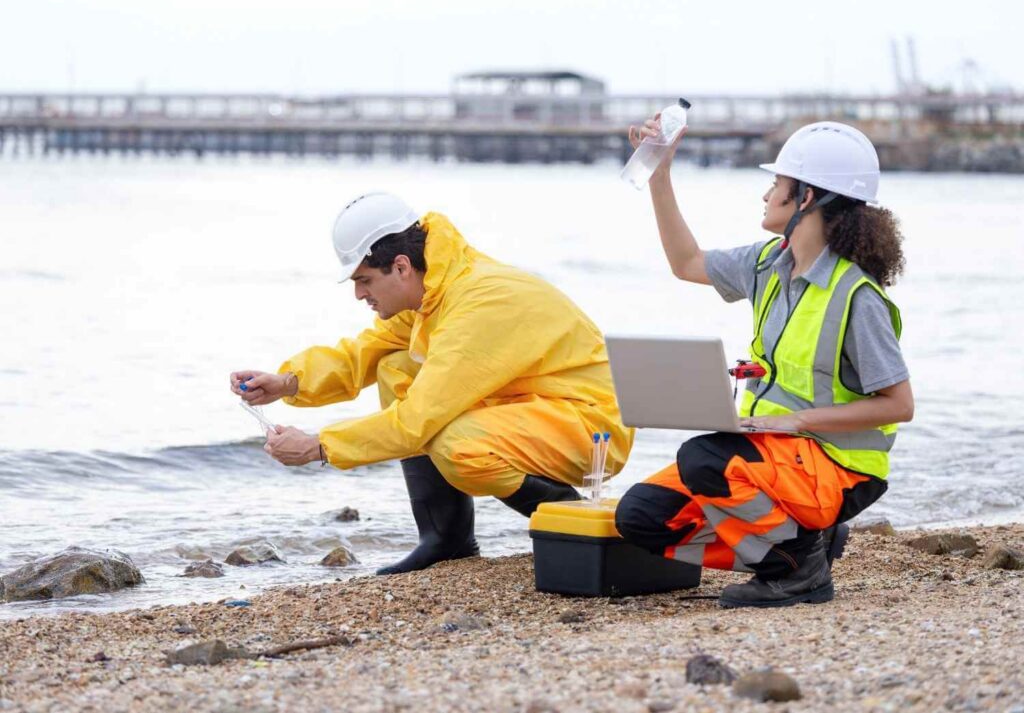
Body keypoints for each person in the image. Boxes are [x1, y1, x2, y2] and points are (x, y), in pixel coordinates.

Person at [231, 192, 634, 575]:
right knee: (395, 366)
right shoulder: (436, 289)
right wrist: (287, 382)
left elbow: (415, 421)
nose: (358, 294)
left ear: (402, 266)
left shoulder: (479, 304)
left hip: (590, 428)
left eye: (364, 280)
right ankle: (446, 540)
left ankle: (576, 520)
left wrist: (319, 447)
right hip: (532, 407)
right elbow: (364, 352)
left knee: (458, 445)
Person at [614, 120, 914, 608]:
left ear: (806, 198)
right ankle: (800, 541)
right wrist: (659, 174)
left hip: (841, 468)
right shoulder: (766, 264)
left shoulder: (856, 297)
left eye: (777, 183)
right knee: (643, 517)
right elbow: (686, 262)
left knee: (705, 458)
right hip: (777, 453)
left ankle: (796, 570)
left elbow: (899, 405)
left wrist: (795, 420)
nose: (766, 193)